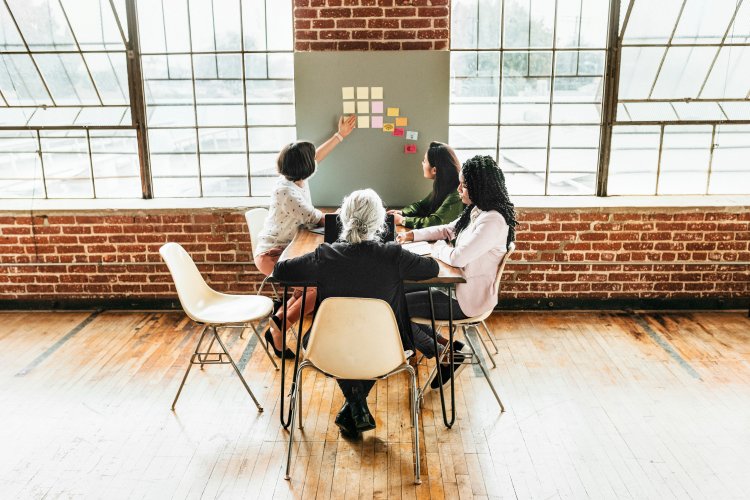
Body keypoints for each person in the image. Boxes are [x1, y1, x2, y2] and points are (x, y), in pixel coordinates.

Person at [273, 189, 439, 439]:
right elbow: (432, 267)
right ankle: (356, 408)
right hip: (387, 349)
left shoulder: (325, 255)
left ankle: (355, 407)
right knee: (369, 348)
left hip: (329, 348)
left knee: (346, 347)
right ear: (380, 222)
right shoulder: (393, 255)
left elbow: (281, 271)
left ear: (345, 218)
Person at [397, 155, 517, 390]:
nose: (459, 188)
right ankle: (448, 347)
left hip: (467, 299)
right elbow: (447, 229)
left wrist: (436, 248)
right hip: (454, 287)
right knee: (397, 291)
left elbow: (457, 256)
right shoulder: (477, 210)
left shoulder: (493, 221)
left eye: (465, 184)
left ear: (480, 187)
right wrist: (412, 235)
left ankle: (444, 354)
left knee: (395, 307)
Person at [253, 115, 356, 358]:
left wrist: (339, 135)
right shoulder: (286, 192)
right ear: (305, 167)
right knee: (318, 288)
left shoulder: (295, 177)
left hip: (287, 250)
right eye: (310, 161)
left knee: (310, 286)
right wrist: (349, 213)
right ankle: (279, 326)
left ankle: (280, 322)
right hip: (272, 254)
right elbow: (316, 218)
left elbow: (316, 156)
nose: (314, 162)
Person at [387, 141, 464, 229]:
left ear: (434, 170)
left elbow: (436, 222)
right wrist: (403, 213)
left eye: (424, 161)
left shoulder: (457, 192)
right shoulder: (444, 185)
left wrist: (402, 220)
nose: (422, 164)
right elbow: (422, 205)